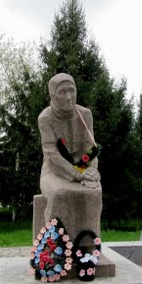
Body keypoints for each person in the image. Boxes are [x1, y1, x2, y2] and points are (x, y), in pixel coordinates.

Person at [38, 73, 102, 237]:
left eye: (71, 90)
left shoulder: (85, 114)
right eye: (62, 91)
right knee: (60, 193)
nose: (68, 97)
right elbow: (52, 155)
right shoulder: (45, 118)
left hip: (81, 166)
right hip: (53, 171)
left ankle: (89, 246)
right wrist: (77, 174)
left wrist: (88, 172)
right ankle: (55, 246)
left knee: (93, 192)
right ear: (53, 94)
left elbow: (90, 149)